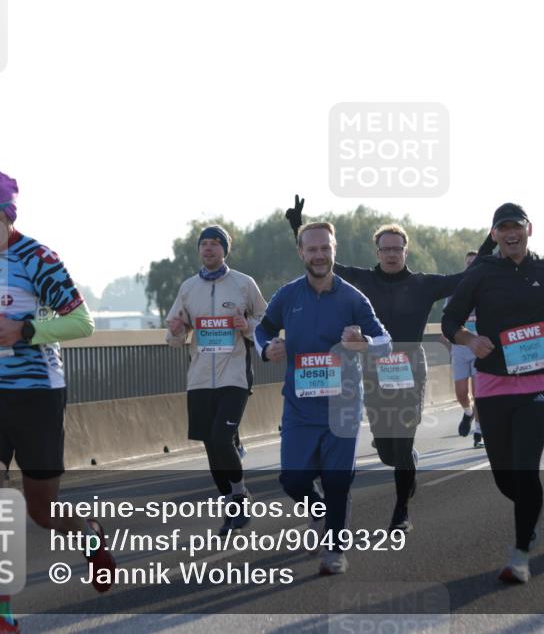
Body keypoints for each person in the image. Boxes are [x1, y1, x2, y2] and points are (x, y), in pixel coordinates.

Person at [0, 171, 114, 634]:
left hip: (37, 395)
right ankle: (4, 617)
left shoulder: (39, 257)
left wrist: (27, 331)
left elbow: (82, 322)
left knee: (42, 510)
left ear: (9, 214)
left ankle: (90, 536)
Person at [284, 196, 494, 531]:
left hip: (410, 370)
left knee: (404, 439)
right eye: (386, 249)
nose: (392, 254)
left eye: (397, 249)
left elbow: (466, 275)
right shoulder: (364, 281)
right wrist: (298, 223)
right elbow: (322, 259)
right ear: (377, 252)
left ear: (405, 251)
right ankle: (405, 462)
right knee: (387, 451)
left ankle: (401, 513)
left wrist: (491, 240)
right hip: (373, 370)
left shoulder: (423, 284)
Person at [442, 202, 544, 584]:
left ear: (529, 229)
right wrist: (470, 339)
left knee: (525, 467)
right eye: (502, 227)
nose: (510, 232)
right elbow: (450, 320)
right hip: (492, 384)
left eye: (516, 226)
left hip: (536, 382)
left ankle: (520, 553)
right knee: (504, 477)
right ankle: (529, 512)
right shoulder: (482, 273)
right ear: (494, 235)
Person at [254, 221, 392, 575]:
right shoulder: (288, 296)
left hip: (342, 406)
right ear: (301, 252)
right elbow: (261, 329)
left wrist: (363, 342)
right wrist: (266, 348)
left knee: (337, 479)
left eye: (324, 249)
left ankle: (335, 549)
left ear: (335, 250)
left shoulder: (352, 298)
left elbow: (385, 341)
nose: (319, 255)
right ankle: (317, 510)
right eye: (311, 249)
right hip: (300, 406)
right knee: (293, 480)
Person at [164, 225, 268, 534]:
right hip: (199, 378)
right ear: (199, 250)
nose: (209, 249)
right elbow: (174, 337)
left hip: (234, 375)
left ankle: (240, 495)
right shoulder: (188, 288)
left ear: (225, 250)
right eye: (204, 244)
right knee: (211, 447)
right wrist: (176, 329)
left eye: (215, 244)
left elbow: (266, 321)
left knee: (221, 439)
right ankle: (231, 504)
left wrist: (246, 324)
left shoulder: (243, 284)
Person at [445, 251, 486, 448]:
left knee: (478, 392)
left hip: (479, 347)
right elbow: (448, 319)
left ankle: (478, 433)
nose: (471, 265)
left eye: (474, 263)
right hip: (460, 348)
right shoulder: (457, 289)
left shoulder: (486, 288)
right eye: (468, 263)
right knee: (461, 392)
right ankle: (468, 413)